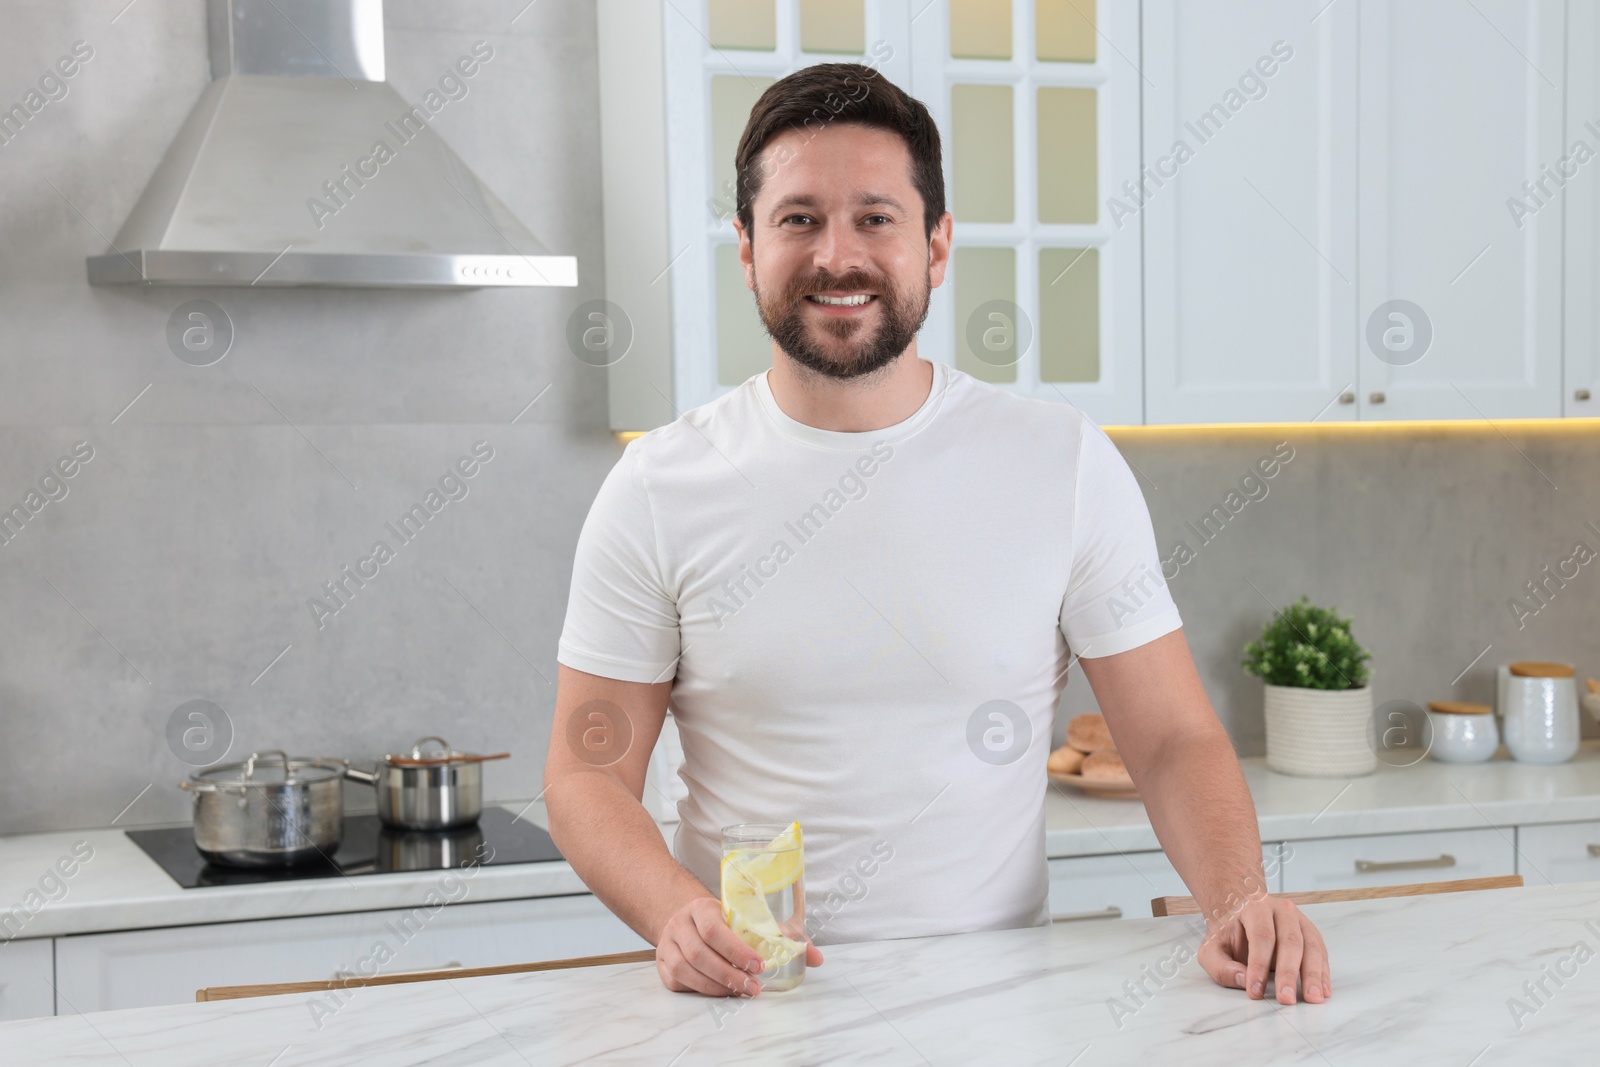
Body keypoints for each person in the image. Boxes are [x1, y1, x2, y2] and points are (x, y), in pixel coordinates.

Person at [543, 61, 1330, 1006]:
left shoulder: (1061, 462)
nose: (839, 255)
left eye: (876, 217)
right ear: (747, 249)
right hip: (754, 1008)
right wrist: (676, 913)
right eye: (799, 218)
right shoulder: (658, 485)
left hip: (996, 1013)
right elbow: (588, 772)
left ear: (938, 245)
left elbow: (1169, 739)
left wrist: (1238, 902)